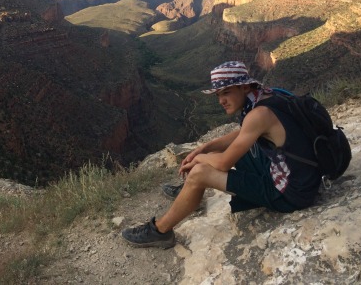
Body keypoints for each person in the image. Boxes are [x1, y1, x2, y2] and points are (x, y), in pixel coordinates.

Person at [121, 61, 322, 248]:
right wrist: (205, 147)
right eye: (217, 94)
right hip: (301, 176)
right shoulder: (268, 96)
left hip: (290, 193)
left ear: (244, 87)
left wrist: (198, 158)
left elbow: (225, 163)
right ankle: (190, 193)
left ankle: (161, 231)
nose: (221, 100)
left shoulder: (258, 114)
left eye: (226, 92)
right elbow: (244, 134)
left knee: (201, 171)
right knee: (214, 153)